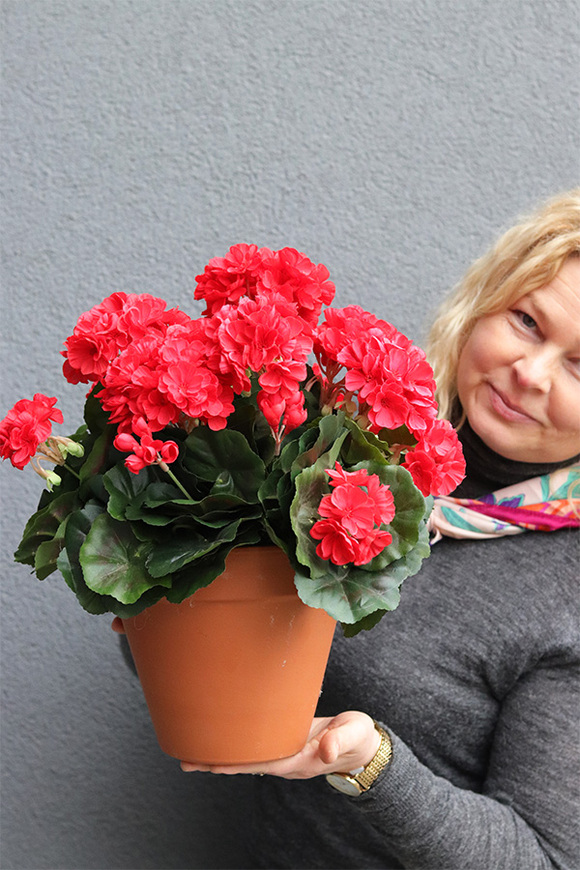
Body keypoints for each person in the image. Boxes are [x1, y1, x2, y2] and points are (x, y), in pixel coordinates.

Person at [177, 190, 580, 869]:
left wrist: (370, 765)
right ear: (486, 299)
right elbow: (249, 667)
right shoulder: (345, 449)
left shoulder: (566, 593)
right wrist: (176, 618)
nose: (530, 373)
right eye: (528, 322)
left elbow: (546, 858)